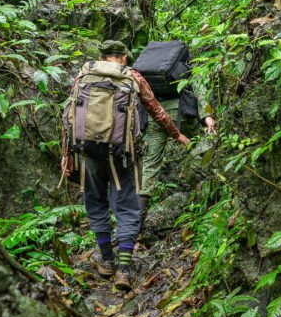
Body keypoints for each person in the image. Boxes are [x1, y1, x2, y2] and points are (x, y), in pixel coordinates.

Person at [61, 40, 190, 291]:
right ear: (124, 58)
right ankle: (124, 270)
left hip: (87, 153)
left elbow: (69, 116)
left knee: (95, 203)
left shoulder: (84, 74)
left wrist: (67, 156)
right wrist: (177, 135)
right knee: (127, 207)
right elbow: (156, 110)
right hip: (121, 155)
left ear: (103, 56)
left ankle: (107, 260)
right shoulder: (132, 77)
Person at [137, 59, 216, 225]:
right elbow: (200, 92)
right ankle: (211, 184)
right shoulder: (187, 68)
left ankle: (135, 225)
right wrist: (206, 117)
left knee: (149, 167)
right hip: (180, 114)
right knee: (203, 143)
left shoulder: (147, 70)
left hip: (153, 117)